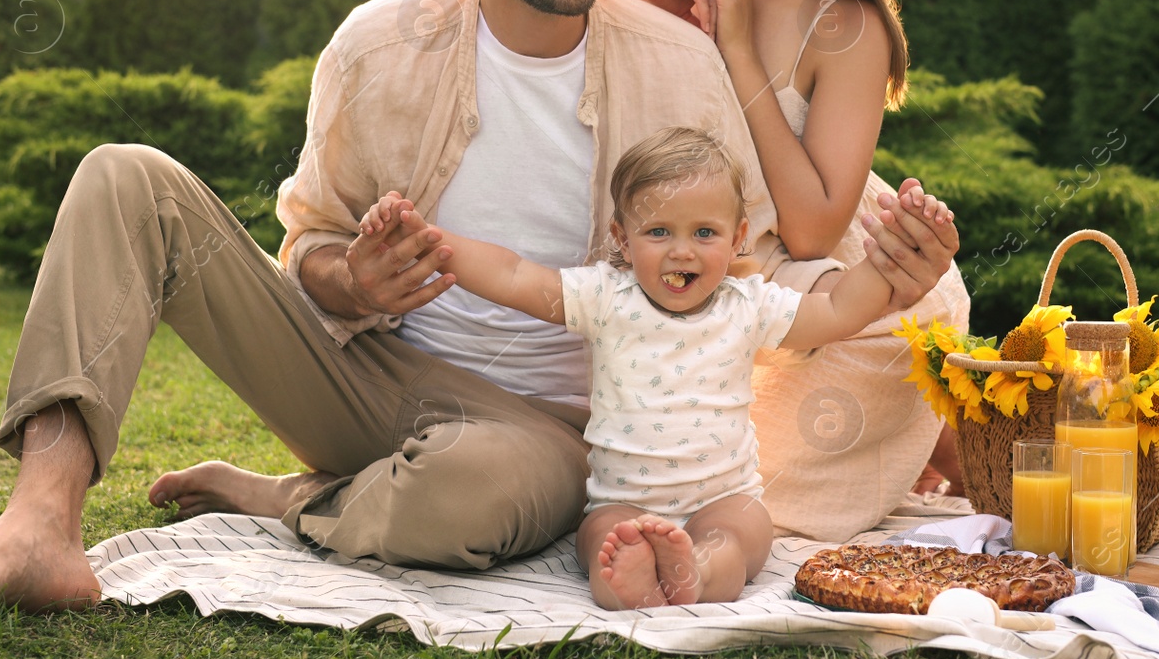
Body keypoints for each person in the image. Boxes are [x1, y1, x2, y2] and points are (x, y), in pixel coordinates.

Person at [0, 0, 955, 627]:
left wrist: (874, 281)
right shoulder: (378, 43)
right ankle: (35, 524)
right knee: (124, 176)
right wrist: (352, 275)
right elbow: (307, 246)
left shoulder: (680, 65)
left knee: (467, 492)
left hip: (539, 433)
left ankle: (285, 497)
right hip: (367, 376)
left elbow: (737, 280)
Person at [603, 0, 973, 531]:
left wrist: (737, 52)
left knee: (731, 490)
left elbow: (809, 230)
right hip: (699, 276)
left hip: (846, 301)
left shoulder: (847, 26)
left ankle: (940, 442)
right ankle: (946, 450)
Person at [362, 127, 897, 608]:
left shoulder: (749, 305)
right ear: (622, 239)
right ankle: (629, 576)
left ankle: (701, 570)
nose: (681, 252)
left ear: (738, 238)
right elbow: (513, 274)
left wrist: (887, 260)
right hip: (622, 503)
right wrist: (428, 239)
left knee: (737, 538)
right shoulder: (605, 298)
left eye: (704, 234)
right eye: (658, 232)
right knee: (602, 541)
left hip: (724, 499)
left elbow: (836, 310)